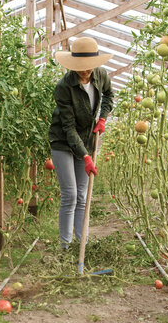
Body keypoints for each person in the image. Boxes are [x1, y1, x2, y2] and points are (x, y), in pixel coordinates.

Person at [48, 36, 114, 250]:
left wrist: (103, 118)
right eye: (81, 67)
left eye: (89, 67)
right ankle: (65, 247)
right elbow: (68, 128)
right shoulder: (64, 87)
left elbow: (109, 96)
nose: (85, 71)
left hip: (87, 139)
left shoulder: (101, 75)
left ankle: (81, 243)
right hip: (63, 142)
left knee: (83, 196)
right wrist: (85, 156)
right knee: (70, 194)